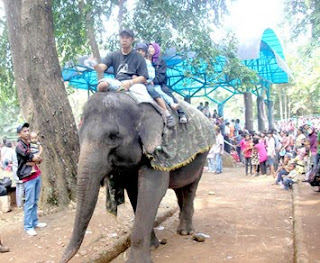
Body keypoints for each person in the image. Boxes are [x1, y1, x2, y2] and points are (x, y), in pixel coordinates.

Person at [92, 29, 149, 97]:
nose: (124, 40)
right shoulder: (113, 54)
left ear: (132, 40)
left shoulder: (139, 57)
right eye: (122, 37)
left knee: (145, 99)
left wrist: (130, 82)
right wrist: (95, 65)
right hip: (117, 82)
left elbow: (144, 77)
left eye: (127, 37)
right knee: (102, 85)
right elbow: (101, 68)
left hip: (134, 84)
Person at [16, 123, 47, 236]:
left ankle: (34, 222)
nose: (27, 133)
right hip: (28, 176)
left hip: (36, 174)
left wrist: (36, 159)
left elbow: (38, 158)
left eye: (28, 130)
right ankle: (28, 226)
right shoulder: (20, 146)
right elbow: (30, 157)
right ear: (19, 134)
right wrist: (35, 158)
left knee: (34, 201)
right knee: (29, 202)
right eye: (24, 131)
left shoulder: (30, 144)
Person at [135, 42, 176, 128]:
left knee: (154, 91)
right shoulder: (134, 61)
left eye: (142, 51)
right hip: (136, 82)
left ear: (145, 52)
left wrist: (149, 81)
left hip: (148, 83)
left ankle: (167, 114)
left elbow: (152, 74)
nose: (140, 52)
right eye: (138, 50)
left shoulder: (151, 62)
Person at [148, 42, 188, 124]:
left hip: (159, 83)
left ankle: (181, 113)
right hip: (147, 83)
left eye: (152, 48)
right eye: (149, 47)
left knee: (166, 92)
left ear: (156, 50)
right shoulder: (146, 61)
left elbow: (162, 75)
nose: (150, 49)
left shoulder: (160, 62)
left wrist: (154, 81)